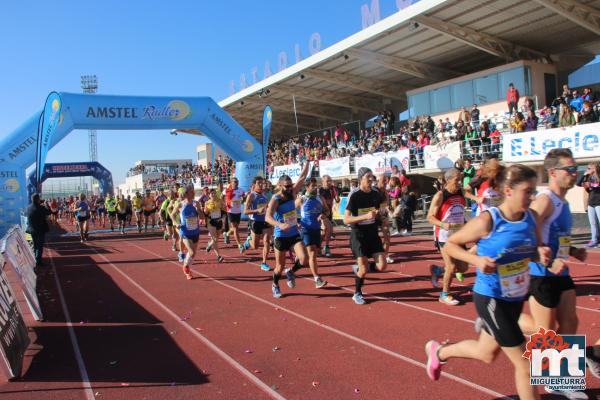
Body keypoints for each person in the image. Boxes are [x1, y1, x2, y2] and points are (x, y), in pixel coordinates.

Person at [425, 164, 549, 400]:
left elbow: (534, 249)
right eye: (527, 191)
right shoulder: (489, 220)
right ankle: (557, 384)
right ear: (509, 191)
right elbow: (451, 244)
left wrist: (539, 254)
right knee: (525, 363)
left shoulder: (531, 217)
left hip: (514, 296)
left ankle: (439, 351)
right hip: (490, 296)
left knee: (486, 353)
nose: (532, 197)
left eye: (534, 191)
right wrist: (476, 259)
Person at [518, 149, 585, 337]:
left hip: (561, 272)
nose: (574, 173)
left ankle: (564, 366)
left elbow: (553, 236)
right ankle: (500, 320)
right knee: (545, 332)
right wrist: (543, 256)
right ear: (553, 172)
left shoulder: (563, 202)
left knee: (570, 323)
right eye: (570, 169)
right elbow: (526, 233)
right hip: (541, 273)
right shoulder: (545, 200)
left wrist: (572, 250)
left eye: (576, 168)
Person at [265, 162, 311, 298]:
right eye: (287, 186)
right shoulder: (276, 199)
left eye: (291, 185)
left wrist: (307, 163)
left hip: (293, 234)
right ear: (279, 186)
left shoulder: (292, 193)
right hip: (280, 236)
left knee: (304, 259)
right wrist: (279, 225)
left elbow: (302, 177)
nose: (290, 188)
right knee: (279, 267)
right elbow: (268, 217)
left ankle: (291, 271)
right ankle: (275, 284)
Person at [343, 167, 387, 305]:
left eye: (371, 176)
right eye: (368, 176)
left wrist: (383, 217)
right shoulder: (354, 195)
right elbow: (346, 220)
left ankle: (362, 268)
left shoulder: (376, 193)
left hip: (373, 233)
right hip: (358, 235)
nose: (371, 178)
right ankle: (357, 293)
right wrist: (364, 216)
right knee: (363, 269)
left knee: (382, 266)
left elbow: (380, 210)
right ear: (360, 178)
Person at [428, 168, 468, 305]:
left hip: (458, 235)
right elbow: (430, 218)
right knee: (451, 267)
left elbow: (460, 213)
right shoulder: (440, 195)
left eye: (460, 179)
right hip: (444, 236)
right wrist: (442, 224)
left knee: (462, 268)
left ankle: (438, 270)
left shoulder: (461, 192)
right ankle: (444, 294)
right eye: (457, 180)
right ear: (448, 180)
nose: (459, 182)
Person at [297, 178, 328, 288]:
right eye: (313, 186)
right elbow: (290, 211)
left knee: (309, 255)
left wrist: (323, 215)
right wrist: (296, 222)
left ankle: (291, 270)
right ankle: (317, 279)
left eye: (316, 185)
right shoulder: (302, 199)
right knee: (313, 254)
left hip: (316, 229)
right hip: (306, 229)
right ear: (307, 187)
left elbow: (327, 210)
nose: (316, 188)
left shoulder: (320, 198)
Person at [170, 185, 204, 280]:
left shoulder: (196, 203)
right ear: (186, 194)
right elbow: (172, 214)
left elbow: (202, 217)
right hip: (185, 232)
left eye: (193, 192)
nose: (193, 193)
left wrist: (198, 210)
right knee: (191, 252)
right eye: (191, 192)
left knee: (193, 253)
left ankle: (186, 266)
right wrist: (176, 223)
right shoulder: (180, 204)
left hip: (195, 231)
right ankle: (186, 268)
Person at [243, 176, 273, 271]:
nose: (261, 185)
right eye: (259, 183)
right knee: (255, 246)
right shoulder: (251, 195)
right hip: (255, 221)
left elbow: (267, 207)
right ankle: (248, 241)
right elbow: (245, 211)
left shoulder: (264, 195)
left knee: (267, 241)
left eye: (262, 183)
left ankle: (264, 263)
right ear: (254, 185)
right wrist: (257, 210)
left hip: (265, 221)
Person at [578, 162, 600, 248]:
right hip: (591, 204)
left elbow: (596, 185)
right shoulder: (588, 177)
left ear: (595, 168)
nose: (588, 170)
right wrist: (584, 175)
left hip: (599, 203)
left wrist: (591, 185)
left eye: (589, 168)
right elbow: (578, 184)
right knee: (593, 223)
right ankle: (594, 240)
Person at [26, 193, 51, 267]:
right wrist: (47, 204)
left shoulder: (28, 207)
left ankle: (34, 259)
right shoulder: (41, 208)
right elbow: (49, 212)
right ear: (38, 199)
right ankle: (38, 262)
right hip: (39, 230)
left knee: (34, 245)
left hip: (31, 230)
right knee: (39, 246)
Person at [319, 175, 339, 257]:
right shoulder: (320, 191)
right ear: (322, 182)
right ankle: (322, 246)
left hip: (329, 212)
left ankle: (322, 246)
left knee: (327, 231)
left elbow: (337, 200)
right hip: (321, 213)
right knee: (326, 230)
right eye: (327, 181)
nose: (329, 182)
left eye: (330, 180)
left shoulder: (332, 189)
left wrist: (336, 195)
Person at [224, 178, 246, 253]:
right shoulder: (227, 190)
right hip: (230, 211)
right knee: (235, 228)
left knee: (234, 228)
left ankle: (226, 234)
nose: (236, 183)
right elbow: (221, 196)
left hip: (238, 211)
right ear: (231, 182)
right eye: (234, 182)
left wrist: (242, 201)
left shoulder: (241, 190)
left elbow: (244, 198)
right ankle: (239, 245)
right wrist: (225, 203)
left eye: (237, 182)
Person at [204, 189, 225, 263]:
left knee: (216, 239)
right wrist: (207, 210)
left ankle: (209, 244)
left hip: (219, 221)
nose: (213, 195)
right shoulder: (207, 203)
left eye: (214, 193)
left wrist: (223, 207)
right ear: (209, 195)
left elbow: (224, 210)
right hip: (211, 222)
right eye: (211, 194)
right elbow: (205, 213)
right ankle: (218, 256)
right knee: (215, 239)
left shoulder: (219, 201)